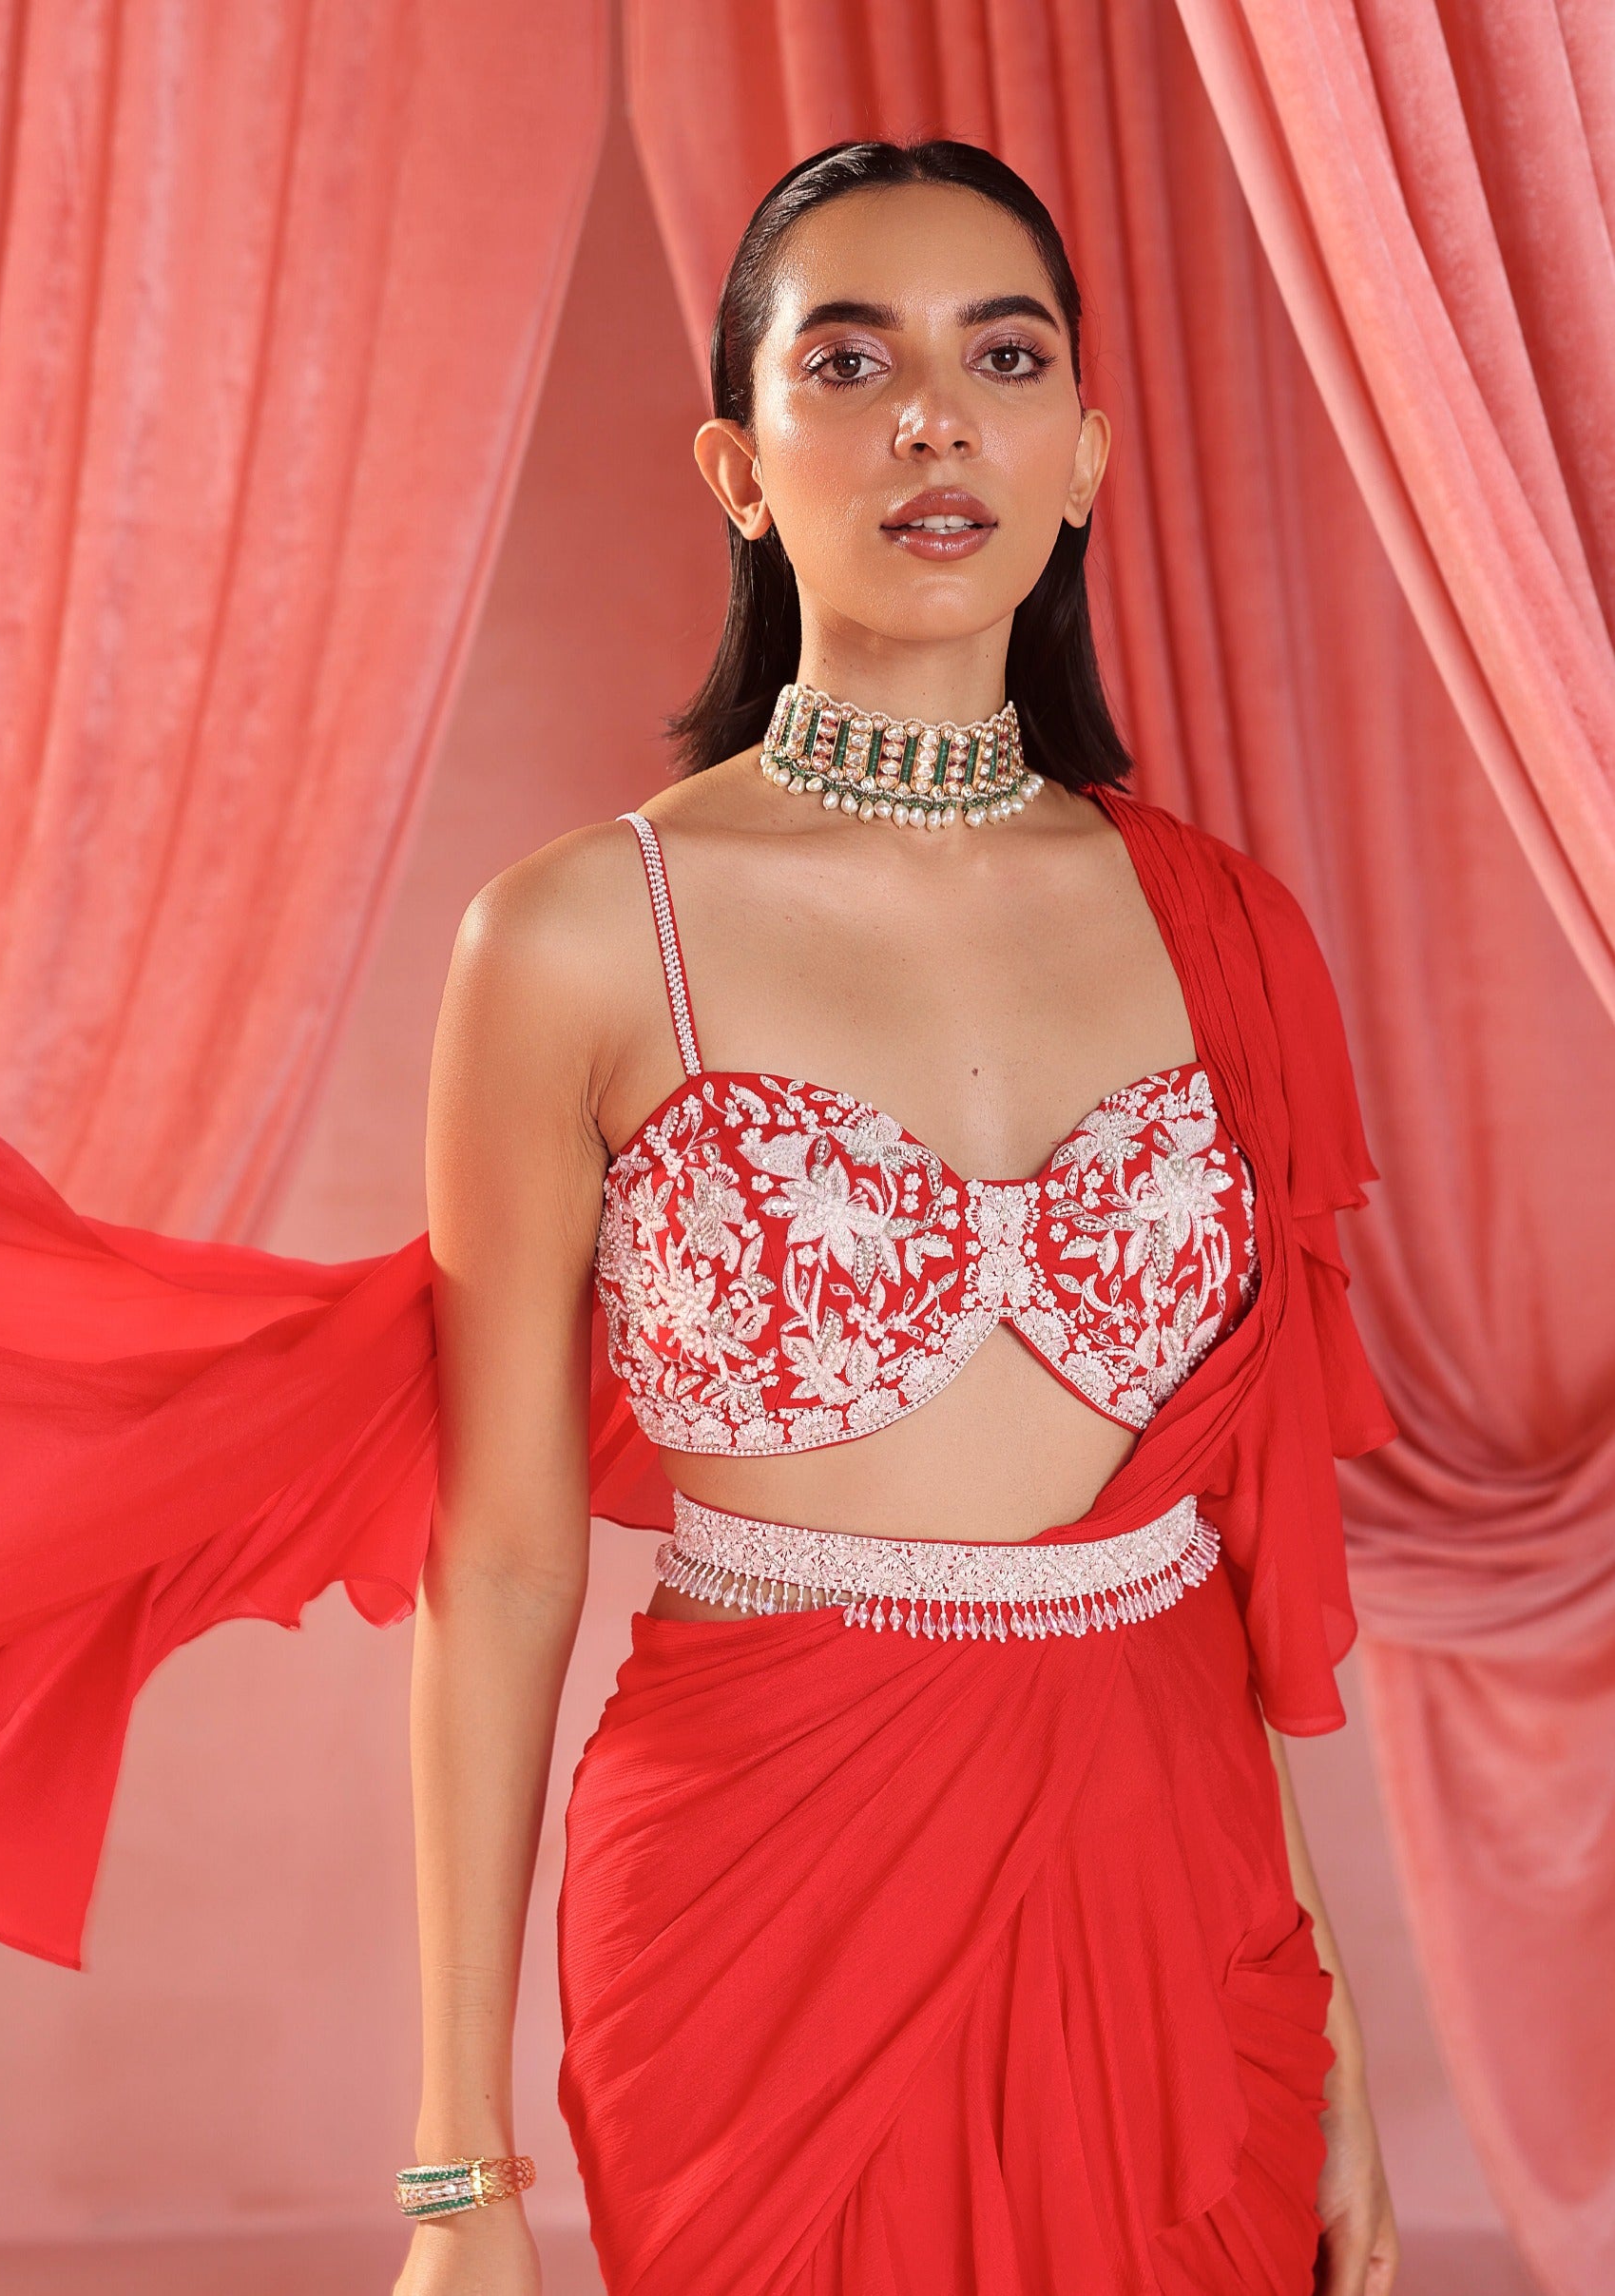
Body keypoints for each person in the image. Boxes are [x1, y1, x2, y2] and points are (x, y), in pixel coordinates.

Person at [394, 140, 1401, 2296]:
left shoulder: (1223, 929)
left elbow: (1232, 1544)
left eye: (1001, 358)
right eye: (847, 362)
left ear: (1081, 456)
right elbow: (497, 1561)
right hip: (761, 1890)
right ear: (739, 470)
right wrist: (456, 2173)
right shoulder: (576, 936)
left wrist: (1330, 2035)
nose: (933, 417)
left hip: (1170, 1883)